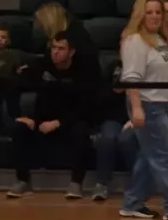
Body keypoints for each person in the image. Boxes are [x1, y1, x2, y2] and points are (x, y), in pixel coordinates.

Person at [117, 0, 168, 220]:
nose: (154, 16)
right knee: (166, 156)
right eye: (149, 12)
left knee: (148, 156)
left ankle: (132, 203)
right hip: (148, 104)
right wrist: (137, 108)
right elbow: (131, 77)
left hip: (165, 103)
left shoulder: (158, 38)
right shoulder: (135, 40)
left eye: (158, 12)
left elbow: (165, 66)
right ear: (140, 14)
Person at [6, 33, 109, 198]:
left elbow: (86, 107)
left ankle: (76, 184)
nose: (56, 52)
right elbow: (13, 84)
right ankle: (23, 181)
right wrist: (20, 116)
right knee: (19, 129)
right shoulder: (41, 65)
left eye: (61, 48)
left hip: (70, 122)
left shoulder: (83, 71)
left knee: (81, 131)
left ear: (71, 52)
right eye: (53, 47)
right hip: (41, 121)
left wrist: (59, 122)